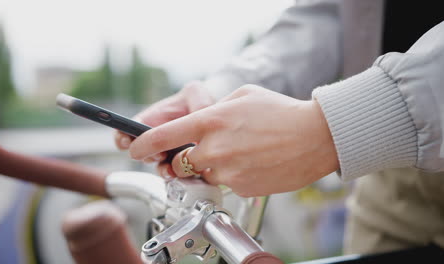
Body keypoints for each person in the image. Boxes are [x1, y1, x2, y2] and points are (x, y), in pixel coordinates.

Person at [115, 0, 444, 256]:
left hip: (378, 136)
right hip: (389, 172)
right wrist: (219, 98)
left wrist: (332, 126)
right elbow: (331, 15)